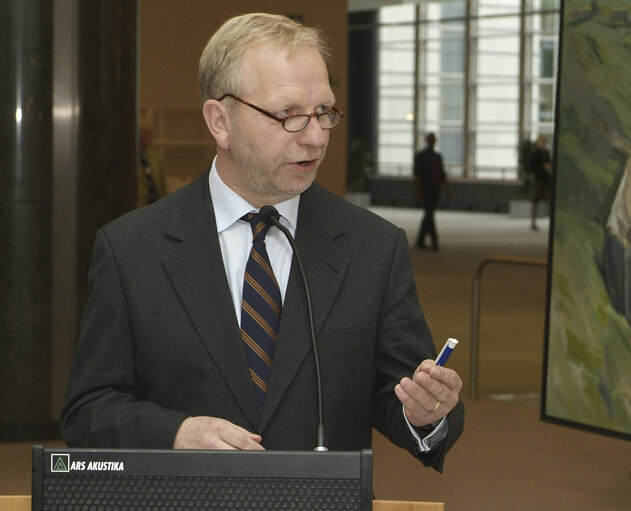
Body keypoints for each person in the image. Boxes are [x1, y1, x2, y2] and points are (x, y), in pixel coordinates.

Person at [60, 13, 464, 473]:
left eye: (324, 112)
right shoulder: (131, 249)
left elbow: (401, 394)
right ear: (220, 121)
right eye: (289, 114)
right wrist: (175, 433)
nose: (315, 137)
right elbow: (88, 412)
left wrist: (426, 413)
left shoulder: (374, 247)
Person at [413, 133, 451, 250]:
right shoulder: (420, 156)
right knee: (429, 213)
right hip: (425, 189)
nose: (432, 142)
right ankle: (434, 241)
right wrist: (417, 189)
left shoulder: (437, 157)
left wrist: (447, 189)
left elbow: (442, 174)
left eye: (434, 140)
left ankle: (420, 240)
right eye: (431, 139)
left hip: (435, 189)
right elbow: (417, 175)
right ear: (427, 141)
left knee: (429, 214)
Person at [137, 122, 167, 206]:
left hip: (157, 202)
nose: (150, 136)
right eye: (147, 133)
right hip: (139, 204)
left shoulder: (155, 154)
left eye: (150, 132)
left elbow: (161, 181)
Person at [529, 134, 553, 231]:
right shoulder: (535, 153)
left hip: (546, 180)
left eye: (543, 143)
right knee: (535, 201)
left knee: (550, 199)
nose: (542, 144)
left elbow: (549, 163)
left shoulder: (546, 153)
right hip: (538, 180)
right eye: (541, 142)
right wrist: (543, 168)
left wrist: (548, 167)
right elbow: (532, 167)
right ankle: (533, 221)